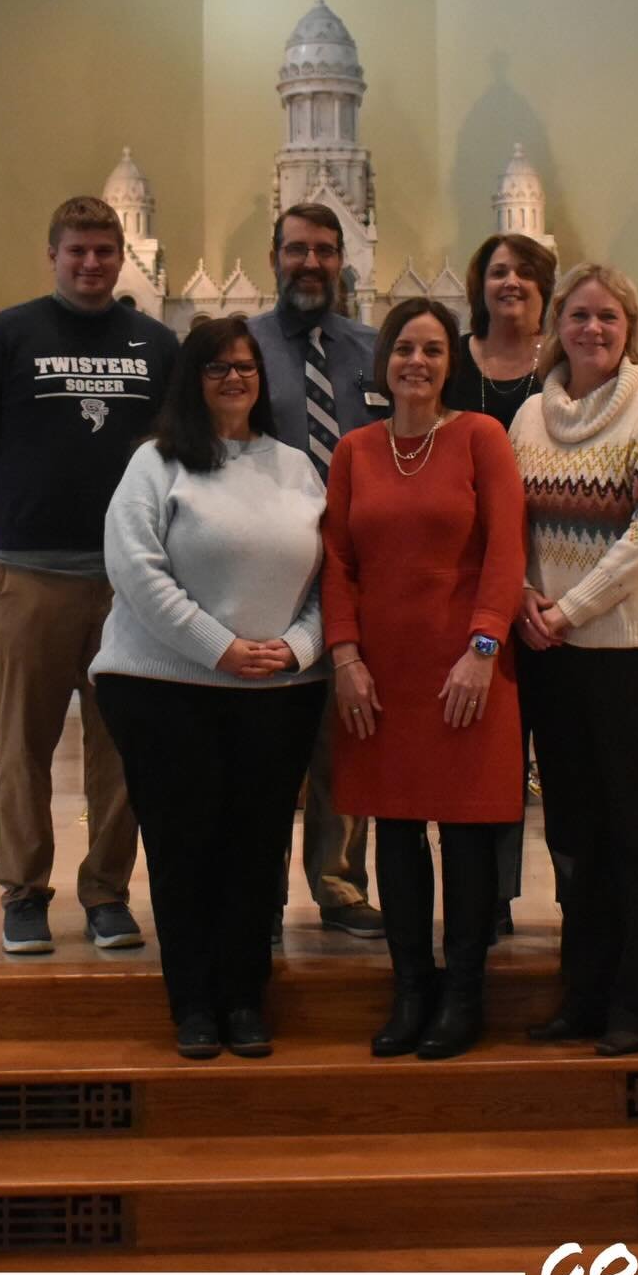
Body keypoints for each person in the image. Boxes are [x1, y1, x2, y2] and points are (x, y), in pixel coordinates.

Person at [0, 196, 177, 956]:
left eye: (104, 251)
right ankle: (23, 892)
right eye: (77, 250)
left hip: (131, 582)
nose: (91, 263)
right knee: (24, 744)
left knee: (124, 748)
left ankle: (107, 894)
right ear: (53, 255)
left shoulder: (156, 345)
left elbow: (178, 446)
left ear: (121, 257)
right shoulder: (4, 336)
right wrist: (24, 501)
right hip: (32, 575)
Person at [91, 319, 328, 1060]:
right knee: (184, 846)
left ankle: (245, 999)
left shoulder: (297, 467)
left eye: (246, 365)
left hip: (277, 691)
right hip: (164, 687)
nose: (234, 378)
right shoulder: (157, 462)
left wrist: (298, 647)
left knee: (258, 849)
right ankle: (194, 1003)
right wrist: (216, 646)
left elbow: (331, 578)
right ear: (192, 379)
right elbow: (134, 567)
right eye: (217, 367)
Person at [321, 299, 526, 1061]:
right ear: (383, 361)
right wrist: (345, 657)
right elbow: (336, 562)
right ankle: (410, 988)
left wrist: (483, 646)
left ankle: (464, 992)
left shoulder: (481, 437)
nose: (417, 361)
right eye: (404, 347)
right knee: (396, 830)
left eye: (433, 349)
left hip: (467, 668)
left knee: (467, 833)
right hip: (379, 674)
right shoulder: (355, 450)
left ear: (450, 364)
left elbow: (507, 548)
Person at [511, 264, 638, 1057]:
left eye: (608, 317)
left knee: (633, 829)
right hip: (550, 647)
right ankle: (584, 994)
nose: (592, 329)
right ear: (557, 325)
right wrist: (523, 594)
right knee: (573, 831)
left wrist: (569, 608)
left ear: (629, 327)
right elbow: (510, 521)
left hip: (629, 648)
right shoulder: (530, 414)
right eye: (579, 315)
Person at [248, 203, 386, 941]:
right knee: (268, 746)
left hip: (356, 571)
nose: (311, 263)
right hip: (269, 570)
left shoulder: (374, 349)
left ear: (342, 260)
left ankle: (340, 885)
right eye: (297, 249)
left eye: (325, 250)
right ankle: (260, 894)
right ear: (274, 255)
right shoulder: (242, 348)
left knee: (347, 733)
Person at [447, 232, 559, 936]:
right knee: (487, 755)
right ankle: (486, 899)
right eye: (496, 271)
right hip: (471, 585)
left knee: (566, 752)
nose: (509, 282)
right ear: (478, 285)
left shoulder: (572, 359)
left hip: (559, 583)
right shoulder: (453, 364)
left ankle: (581, 899)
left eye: (524, 271)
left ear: (546, 286)